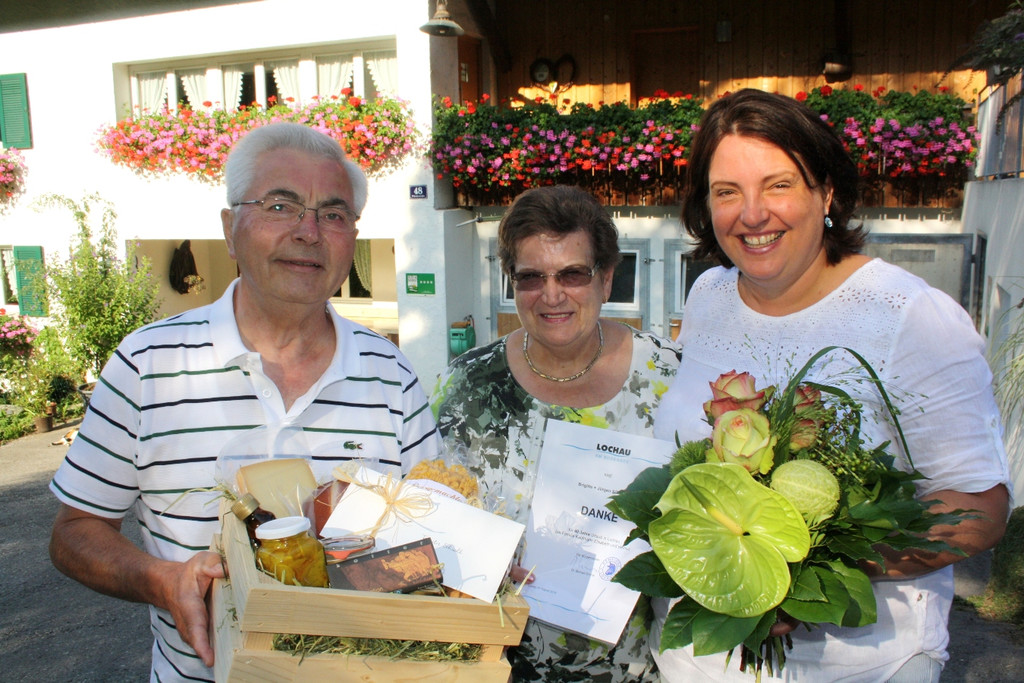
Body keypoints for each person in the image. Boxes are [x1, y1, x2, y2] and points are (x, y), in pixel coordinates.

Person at [48, 122, 440, 682]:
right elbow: (74, 530)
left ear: (352, 238)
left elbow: (433, 520)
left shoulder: (391, 372)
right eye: (281, 205)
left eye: (333, 214)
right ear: (231, 230)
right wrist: (162, 579)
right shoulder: (148, 365)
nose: (309, 231)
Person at [651, 88, 1011, 682]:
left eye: (779, 184)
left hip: (860, 664)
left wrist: (799, 573)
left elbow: (979, 511)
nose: (753, 214)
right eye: (726, 192)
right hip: (700, 658)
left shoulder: (909, 316)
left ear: (827, 192)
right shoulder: (709, 295)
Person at [431, 184, 681, 681]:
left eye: (572, 273)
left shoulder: (670, 380)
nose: (551, 294)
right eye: (530, 277)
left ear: (607, 279)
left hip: (639, 670)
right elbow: (427, 516)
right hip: (493, 665)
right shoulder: (465, 386)